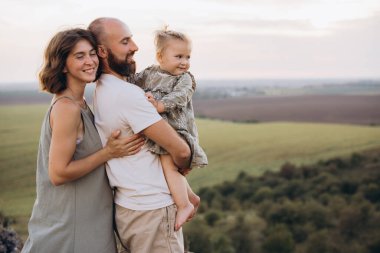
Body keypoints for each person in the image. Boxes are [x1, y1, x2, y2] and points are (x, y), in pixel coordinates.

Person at [21, 28, 144, 253]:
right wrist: (107, 153)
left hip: (90, 222)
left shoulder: (82, 103)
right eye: (79, 56)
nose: (90, 61)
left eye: (92, 53)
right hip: (72, 229)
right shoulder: (67, 108)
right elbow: (58, 173)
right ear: (62, 64)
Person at [88, 17, 191, 253]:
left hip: (127, 208)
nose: (135, 46)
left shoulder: (102, 90)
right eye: (125, 41)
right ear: (102, 51)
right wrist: (182, 167)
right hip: (152, 211)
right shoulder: (128, 95)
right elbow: (181, 150)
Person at [128, 28, 208, 231]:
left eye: (187, 56)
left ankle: (184, 204)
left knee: (168, 165)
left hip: (177, 130)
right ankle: (191, 197)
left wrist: (159, 106)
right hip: (161, 129)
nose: (184, 62)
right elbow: (130, 82)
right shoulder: (149, 73)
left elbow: (180, 96)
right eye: (179, 56)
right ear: (160, 57)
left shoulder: (185, 79)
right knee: (167, 167)